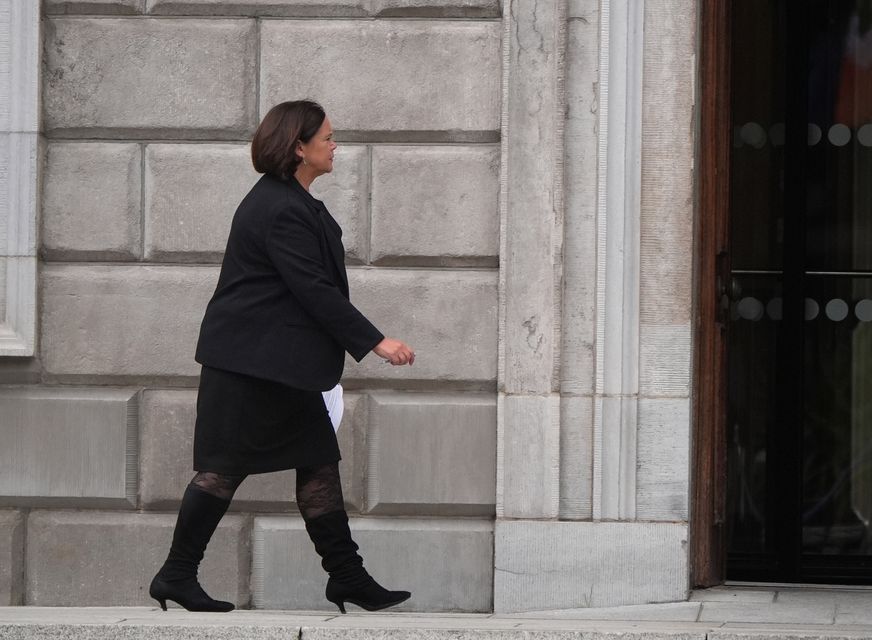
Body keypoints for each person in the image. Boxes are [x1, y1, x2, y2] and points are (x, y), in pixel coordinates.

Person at [149, 100, 415, 614]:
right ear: (299, 147)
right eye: (328, 138)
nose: (336, 146)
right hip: (250, 367)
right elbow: (313, 288)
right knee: (221, 471)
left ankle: (347, 577)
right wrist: (374, 341)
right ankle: (176, 574)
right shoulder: (278, 207)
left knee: (318, 466)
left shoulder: (292, 200)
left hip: (278, 367)